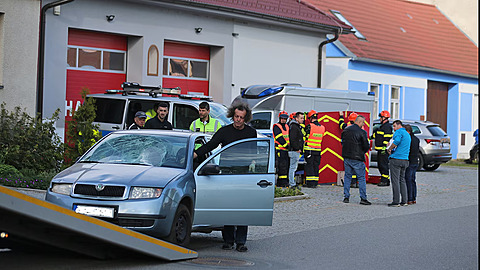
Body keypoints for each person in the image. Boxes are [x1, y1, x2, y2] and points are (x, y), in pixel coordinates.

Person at [193, 102, 256, 252]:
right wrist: (195, 154)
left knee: (242, 209)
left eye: (241, 117)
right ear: (232, 116)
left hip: (243, 175)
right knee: (228, 207)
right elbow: (211, 145)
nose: (238, 120)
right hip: (227, 173)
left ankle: (241, 241)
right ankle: (228, 240)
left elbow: (255, 152)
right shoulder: (224, 131)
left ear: (245, 118)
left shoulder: (251, 132)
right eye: (236, 117)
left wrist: (256, 167)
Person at [341, 115, 371, 205]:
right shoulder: (362, 132)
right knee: (361, 178)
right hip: (358, 158)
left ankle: (346, 197)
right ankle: (363, 198)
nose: (363, 124)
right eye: (363, 123)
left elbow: (342, 142)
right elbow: (366, 146)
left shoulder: (346, 130)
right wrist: (362, 151)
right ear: (360, 122)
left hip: (347, 157)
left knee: (347, 177)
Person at [386, 120, 411, 207]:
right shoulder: (407, 134)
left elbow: (396, 141)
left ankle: (396, 201)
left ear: (399, 125)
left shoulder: (398, 132)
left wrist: (389, 148)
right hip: (405, 160)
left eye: (394, 126)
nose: (393, 128)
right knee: (402, 180)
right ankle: (404, 201)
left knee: (395, 181)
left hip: (396, 159)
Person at [303, 110, 325, 188]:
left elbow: (304, 135)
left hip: (309, 150)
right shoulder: (322, 127)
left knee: (309, 166)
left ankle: (310, 183)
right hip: (318, 150)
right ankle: (315, 182)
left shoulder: (309, 126)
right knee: (316, 166)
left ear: (310, 118)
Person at [372, 110, 393, 186]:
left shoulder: (387, 127)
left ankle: (384, 181)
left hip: (383, 150)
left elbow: (387, 139)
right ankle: (386, 180)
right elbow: (377, 136)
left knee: (383, 165)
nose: (380, 119)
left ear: (384, 118)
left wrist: (384, 149)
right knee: (381, 165)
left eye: (381, 117)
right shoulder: (382, 127)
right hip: (380, 150)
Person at [339, 111, 359, 188]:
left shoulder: (347, 126)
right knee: (357, 167)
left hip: (349, 150)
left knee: (350, 167)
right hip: (358, 150)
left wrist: (341, 116)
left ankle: (351, 182)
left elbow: (341, 125)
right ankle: (356, 182)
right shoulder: (360, 127)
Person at [273, 111, 290, 187]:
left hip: (286, 150)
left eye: (285, 119)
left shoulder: (287, 126)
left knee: (286, 166)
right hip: (279, 149)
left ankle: (283, 181)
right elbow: (279, 138)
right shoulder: (276, 126)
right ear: (279, 118)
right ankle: (281, 182)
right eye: (282, 118)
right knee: (281, 166)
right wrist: (287, 145)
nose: (283, 120)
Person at [288, 112, 305, 188]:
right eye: (301, 118)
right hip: (294, 151)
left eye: (303, 118)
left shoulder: (296, 126)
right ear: (296, 118)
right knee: (293, 168)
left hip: (294, 150)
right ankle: (292, 184)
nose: (303, 120)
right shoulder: (294, 127)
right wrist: (297, 148)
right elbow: (293, 139)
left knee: (293, 167)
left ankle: (292, 182)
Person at [404, 124, 420, 205]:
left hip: (409, 161)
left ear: (408, 132)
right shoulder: (417, 139)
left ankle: (409, 198)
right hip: (415, 162)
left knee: (408, 180)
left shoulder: (408, 139)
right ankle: (414, 198)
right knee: (413, 180)